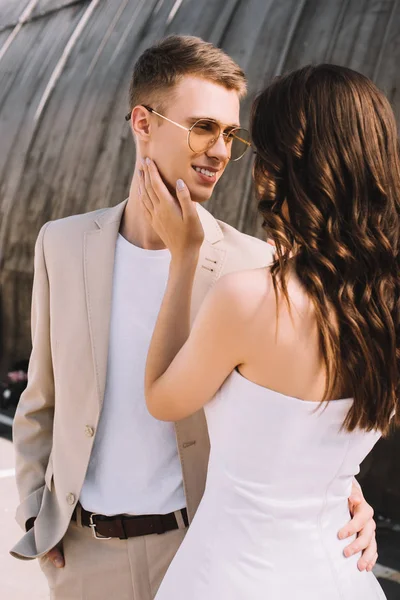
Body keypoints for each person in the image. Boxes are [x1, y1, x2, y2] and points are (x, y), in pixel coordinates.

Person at [11, 37, 376, 599]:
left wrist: (347, 494)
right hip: (82, 557)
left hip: (199, 553)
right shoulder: (62, 244)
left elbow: (300, 419)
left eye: (231, 133)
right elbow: (42, 397)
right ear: (143, 122)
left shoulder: (261, 270)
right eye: (203, 126)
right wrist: (37, 514)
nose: (220, 150)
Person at [142, 63, 399, 599]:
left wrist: (183, 257)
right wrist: (346, 490)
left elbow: (163, 397)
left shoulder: (250, 298)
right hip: (343, 575)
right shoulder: (385, 309)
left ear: (290, 166)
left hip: (231, 579)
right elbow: (320, 442)